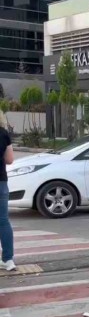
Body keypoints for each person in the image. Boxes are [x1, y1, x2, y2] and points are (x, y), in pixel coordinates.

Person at [0, 112, 15, 271]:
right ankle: (8, 260)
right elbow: (10, 159)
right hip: (1, 182)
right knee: (3, 221)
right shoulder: (4, 134)